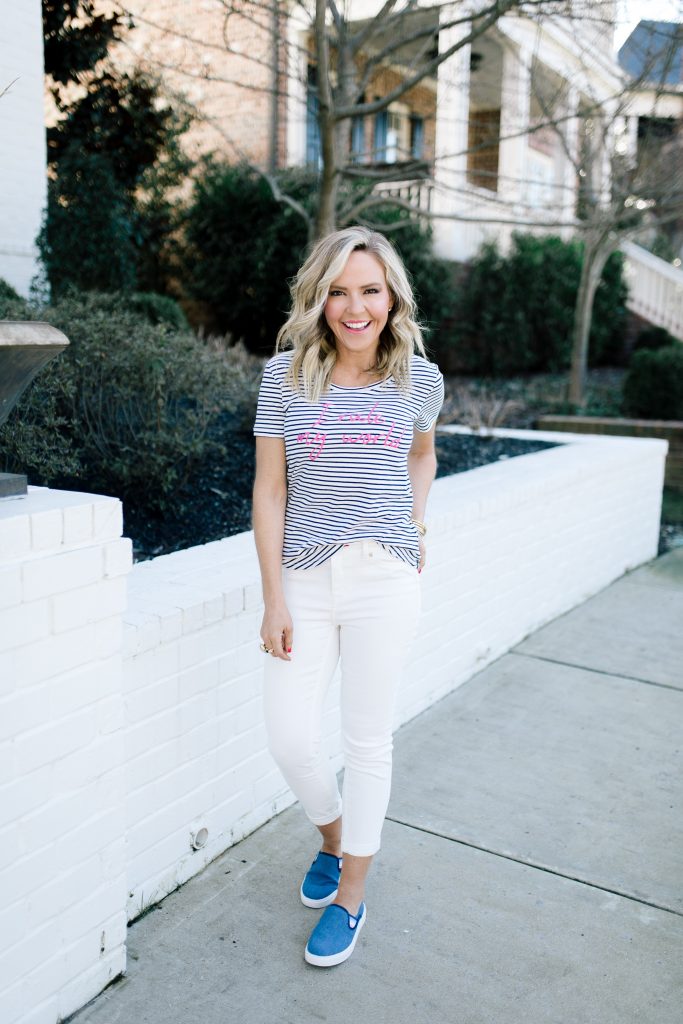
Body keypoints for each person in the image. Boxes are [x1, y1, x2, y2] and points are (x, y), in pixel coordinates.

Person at [252, 225, 444, 968]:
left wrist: (414, 523)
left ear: (391, 297)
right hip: (303, 579)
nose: (354, 307)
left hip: (384, 580)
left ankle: (351, 895)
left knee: (366, 741)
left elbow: (421, 455)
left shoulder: (419, 380)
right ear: (318, 297)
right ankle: (333, 839)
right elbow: (270, 490)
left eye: (369, 290)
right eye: (337, 291)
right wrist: (273, 597)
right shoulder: (284, 376)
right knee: (289, 738)